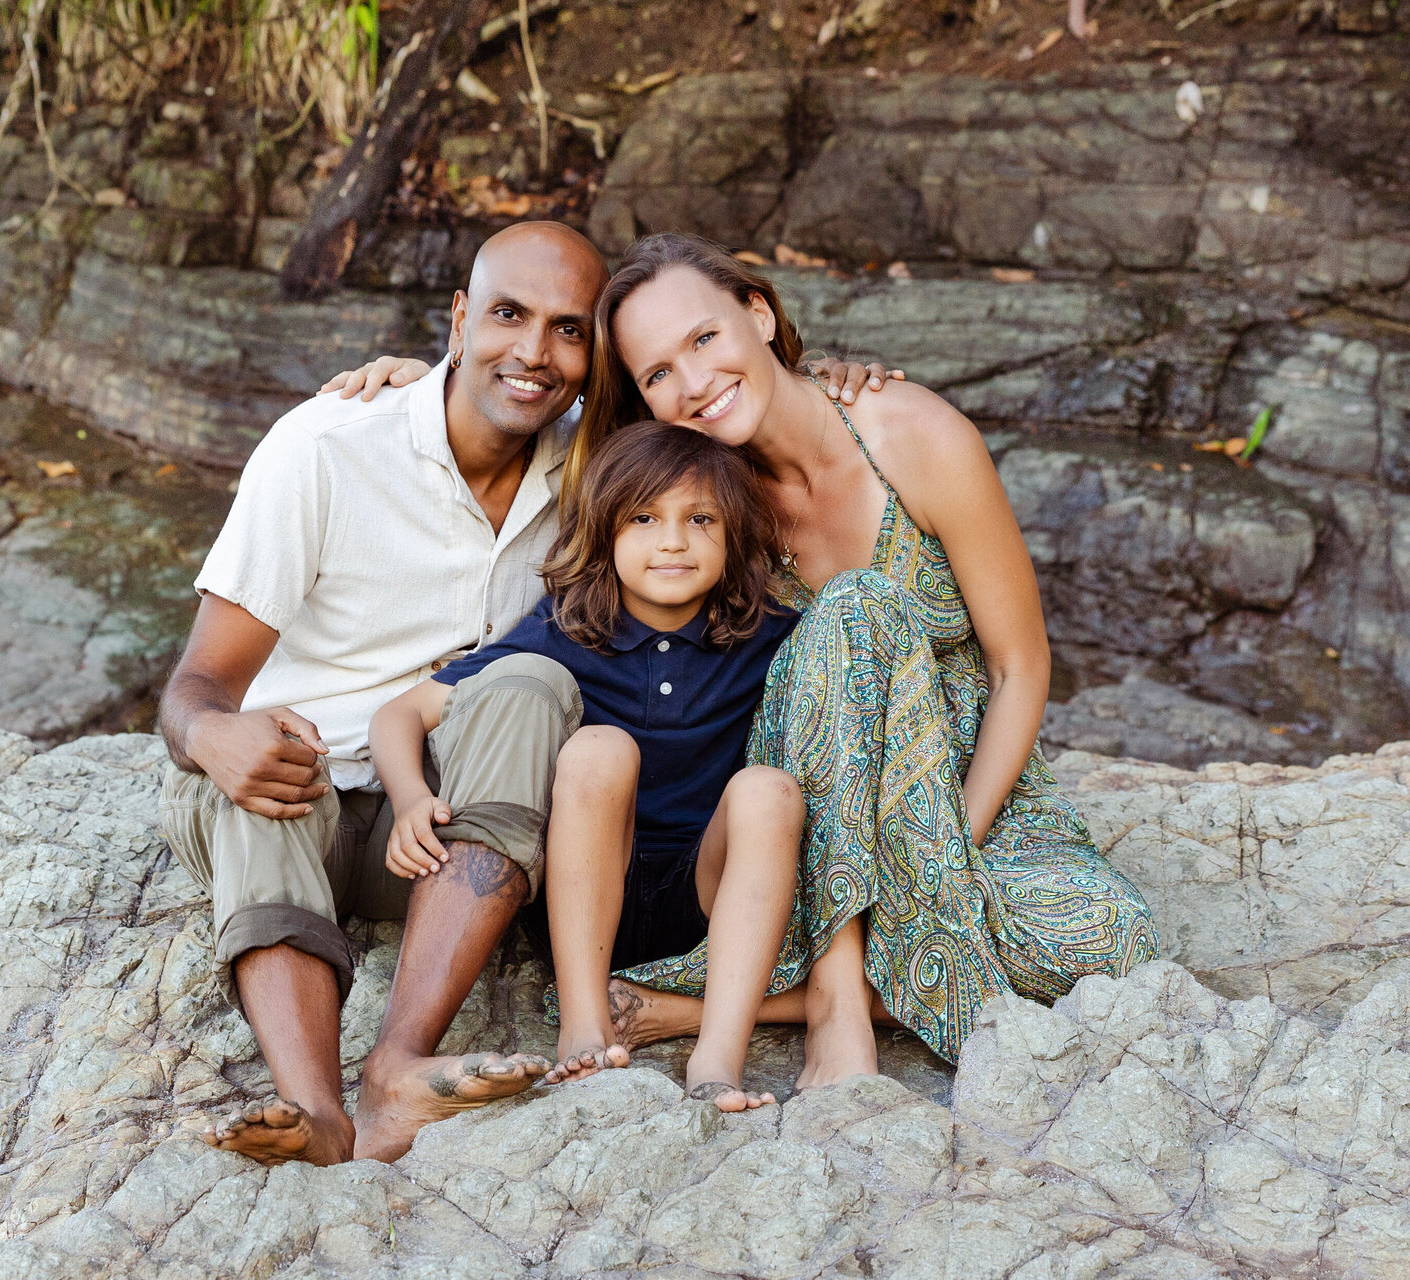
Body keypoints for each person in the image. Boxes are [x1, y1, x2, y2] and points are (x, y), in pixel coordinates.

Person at [344, 233, 1159, 1090]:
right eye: (658, 374)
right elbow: (533, 405)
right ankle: (837, 992)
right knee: (857, 605)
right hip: (802, 808)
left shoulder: (912, 435)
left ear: (760, 313)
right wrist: (426, 380)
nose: (692, 383)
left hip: (952, 789)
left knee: (1111, 938)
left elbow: (1021, 666)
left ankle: (697, 1012)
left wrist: (943, 851)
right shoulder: (702, 495)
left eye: (705, 339)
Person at [157, 221, 607, 1167]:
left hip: (442, 834)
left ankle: (399, 1067)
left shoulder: (597, 471)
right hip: (299, 813)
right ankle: (313, 1107)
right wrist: (213, 738)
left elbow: (732, 397)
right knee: (273, 755)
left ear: (595, 352)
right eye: (508, 316)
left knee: (531, 683)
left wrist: (844, 382)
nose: (533, 353)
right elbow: (194, 685)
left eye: (568, 329)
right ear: (457, 319)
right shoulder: (327, 446)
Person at [370, 422, 804, 1112]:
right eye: (643, 518)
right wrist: (412, 795)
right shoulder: (568, 625)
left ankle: (717, 1058)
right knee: (601, 749)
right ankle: (584, 1026)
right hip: (583, 890)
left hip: (707, 894)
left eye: (700, 520)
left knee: (768, 791)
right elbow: (401, 714)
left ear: (735, 536)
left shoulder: (767, 632)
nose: (673, 541)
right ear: (604, 532)